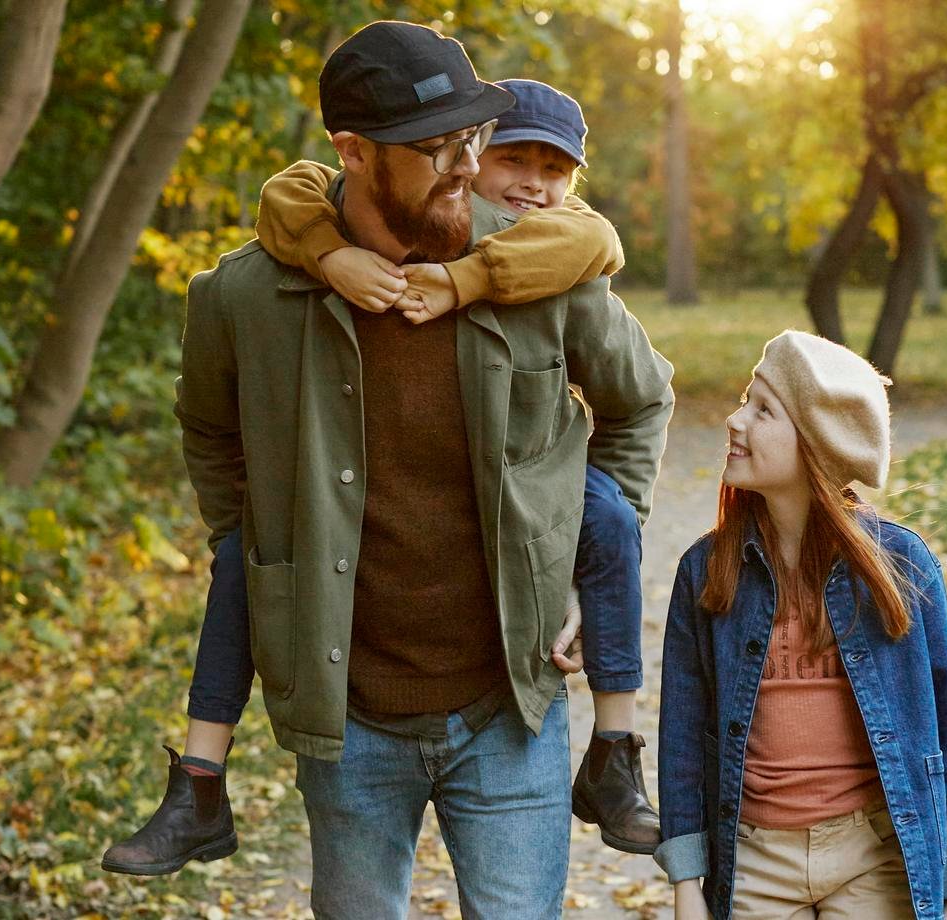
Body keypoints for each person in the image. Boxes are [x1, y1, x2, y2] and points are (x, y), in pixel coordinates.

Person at [106, 21, 673, 919]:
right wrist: (256, 550)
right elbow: (209, 429)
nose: (465, 165)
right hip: (350, 722)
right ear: (354, 151)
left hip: (511, 707)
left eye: (471, 140)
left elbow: (640, 403)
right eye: (437, 147)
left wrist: (590, 540)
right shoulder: (248, 297)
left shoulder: (538, 265)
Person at [249, 77, 661, 854]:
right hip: (373, 666)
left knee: (607, 519)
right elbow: (287, 192)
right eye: (515, 160)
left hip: (534, 569)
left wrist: (465, 280)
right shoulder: (420, 212)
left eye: (556, 169)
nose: (534, 185)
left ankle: (616, 747)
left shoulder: (563, 242)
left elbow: (599, 248)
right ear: (470, 156)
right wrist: (332, 255)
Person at [654, 331, 947, 920]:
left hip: (873, 854)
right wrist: (688, 881)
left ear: (816, 443)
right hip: (754, 858)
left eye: (764, 410)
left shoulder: (902, 566)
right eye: (745, 399)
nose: (735, 421)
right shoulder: (706, 570)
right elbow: (683, 731)